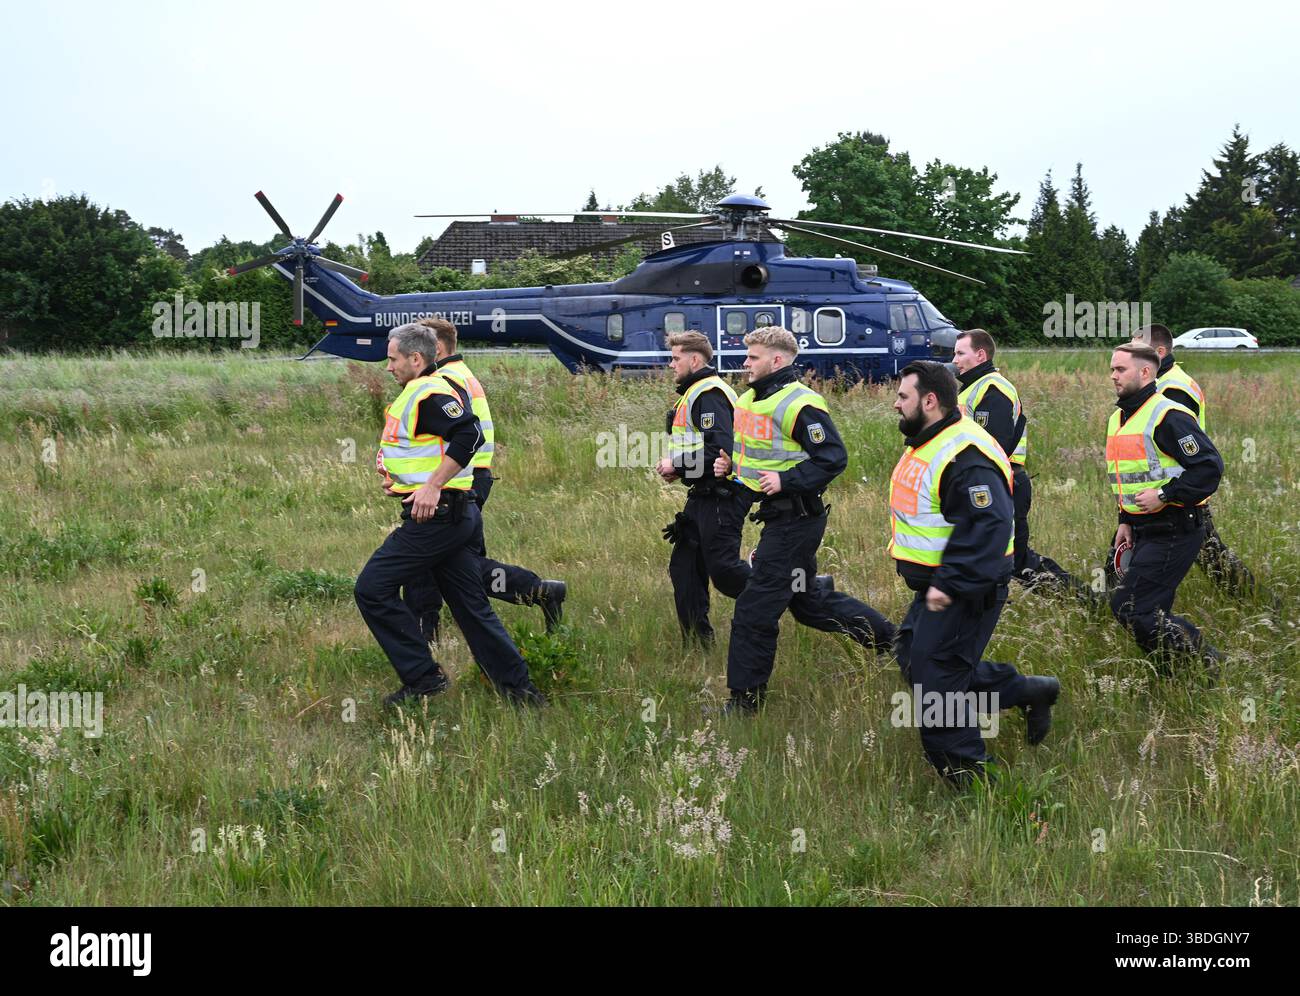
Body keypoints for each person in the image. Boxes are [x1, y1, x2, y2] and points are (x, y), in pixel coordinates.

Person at [354, 322, 545, 707]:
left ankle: (424, 678)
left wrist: (432, 486)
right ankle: (522, 694)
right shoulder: (418, 393)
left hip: (438, 518)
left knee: (372, 588)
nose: (387, 366)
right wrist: (405, 481)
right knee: (471, 608)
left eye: (392, 359)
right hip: (449, 515)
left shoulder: (428, 392)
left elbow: (469, 434)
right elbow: (423, 448)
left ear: (416, 358)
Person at [888, 361, 1060, 786]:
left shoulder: (966, 454)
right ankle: (1027, 691)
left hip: (965, 587)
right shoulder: (933, 438)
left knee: (937, 685)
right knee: (914, 658)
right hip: (940, 584)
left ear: (930, 401)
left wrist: (950, 583)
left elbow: (991, 524)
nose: (895, 403)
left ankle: (974, 783)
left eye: (903, 396)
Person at [715, 327, 894, 715]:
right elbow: (759, 458)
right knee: (809, 603)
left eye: (754, 357)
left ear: (777, 360)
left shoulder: (801, 403)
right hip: (777, 520)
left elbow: (833, 458)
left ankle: (745, 703)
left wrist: (786, 481)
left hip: (795, 524)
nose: (745, 363)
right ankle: (891, 640)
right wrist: (730, 466)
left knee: (754, 609)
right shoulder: (751, 397)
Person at [399, 318, 566, 640]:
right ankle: (539, 591)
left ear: (435, 347)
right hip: (470, 479)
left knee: (429, 562)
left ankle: (423, 635)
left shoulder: (444, 379)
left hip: (458, 483)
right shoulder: (461, 374)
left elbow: (460, 435)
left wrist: (431, 482)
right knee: (458, 564)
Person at [1105, 342, 1225, 673]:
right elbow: (1127, 476)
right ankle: (1176, 672)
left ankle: (1203, 663)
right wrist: (1125, 520)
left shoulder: (1168, 415)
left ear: (1145, 371)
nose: (1113, 375)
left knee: (1129, 607)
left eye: (1120, 369)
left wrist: (1164, 494)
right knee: (1151, 611)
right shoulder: (1120, 417)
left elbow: (1209, 468)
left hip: (1175, 526)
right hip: (1142, 528)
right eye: (1112, 369)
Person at [1131, 323, 1268, 604]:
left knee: (1211, 555)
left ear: (1158, 352)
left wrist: (1166, 493)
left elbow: (1187, 449)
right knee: (1208, 554)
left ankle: (1258, 603)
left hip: (1179, 494)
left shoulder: (1174, 389)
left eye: (1137, 350)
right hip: (1163, 493)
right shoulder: (1160, 383)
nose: (1131, 356)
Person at [952, 329, 1092, 600]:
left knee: (1016, 559)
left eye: (960, 353)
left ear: (980, 355)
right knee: (996, 557)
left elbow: (992, 447)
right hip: (990, 484)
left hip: (1004, 483)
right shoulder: (972, 388)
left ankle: (1083, 601)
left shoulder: (992, 388)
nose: (954, 359)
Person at [655, 332, 751, 645]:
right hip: (702, 494)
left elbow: (721, 449)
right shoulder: (694, 392)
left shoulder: (709, 393)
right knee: (684, 567)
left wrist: (677, 465)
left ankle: (801, 589)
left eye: (676, 358)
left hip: (722, 495)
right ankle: (698, 643)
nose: (671, 365)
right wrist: (680, 469)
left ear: (694, 360)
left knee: (725, 571)